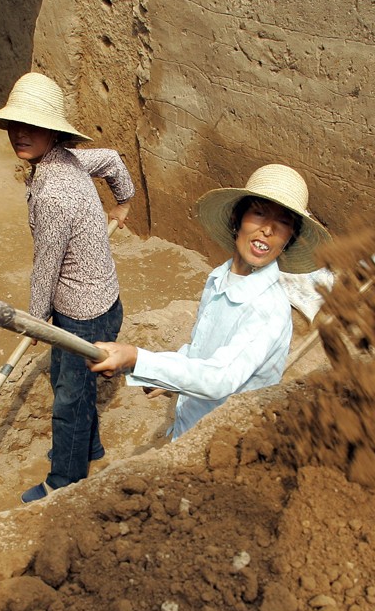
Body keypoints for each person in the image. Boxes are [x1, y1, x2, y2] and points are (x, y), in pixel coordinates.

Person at [0, 72, 135, 503]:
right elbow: (115, 160)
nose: (21, 134)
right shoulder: (70, 160)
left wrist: (33, 321)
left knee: (67, 398)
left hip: (81, 315)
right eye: (15, 125)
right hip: (104, 302)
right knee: (76, 386)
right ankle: (91, 448)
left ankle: (65, 480)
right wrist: (124, 200)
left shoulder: (53, 194)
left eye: (33, 126)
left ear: (53, 132)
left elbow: (45, 267)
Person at [88, 164, 330, 440]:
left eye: (284, 222)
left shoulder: (269, 310)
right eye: (260, 213)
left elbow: (220, 378)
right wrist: (162, 377)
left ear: (289, 240)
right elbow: (201, 350)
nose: (268, 230)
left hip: (225, 441)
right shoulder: (219, 278)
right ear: (237, 220)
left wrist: (136, 357)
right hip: (191, 425)